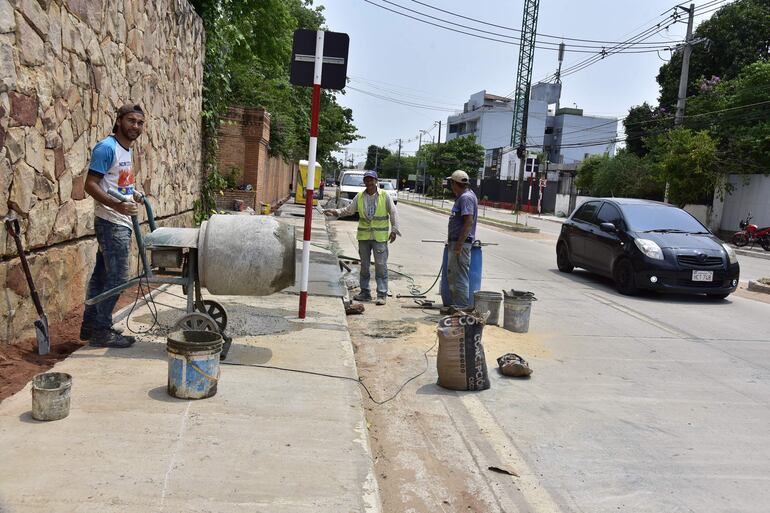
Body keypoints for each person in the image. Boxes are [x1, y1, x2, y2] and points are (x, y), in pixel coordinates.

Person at [79, 104, 146, 348]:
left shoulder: (125, 149)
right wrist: (116, 205)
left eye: (139, 123)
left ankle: (91, 325)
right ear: (118, 121)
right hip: (111, 221)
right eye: (131, 121)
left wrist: (133, 193)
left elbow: (117, 182)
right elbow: (90, 184)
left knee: (102, 276)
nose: (135, 126)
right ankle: (101, 330)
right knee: (118, 278)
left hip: (120, 220)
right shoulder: (107, 148)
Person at [325, 170, 400, 305]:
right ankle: (365, 293)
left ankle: (382, 294)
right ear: (364, 181)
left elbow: (393, 213)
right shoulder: (359, 196)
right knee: (364, 266)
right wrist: (335, 211)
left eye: (371, 179)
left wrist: (394, 230)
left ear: (376, 181)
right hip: (364, 237)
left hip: (380, 238)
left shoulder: (385, 196)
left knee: (381, 266)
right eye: (367, 180)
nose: (369, 182)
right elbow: (349, 210)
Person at [446, 169, 478, 309]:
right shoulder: (464, 196)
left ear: (455, 183)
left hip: (461, 244)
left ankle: (461, 308)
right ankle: (458, 307)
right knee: (454, 275)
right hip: (458, 242)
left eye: (451, 183)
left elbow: (468, 221)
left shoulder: (466, 198)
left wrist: (459, 245)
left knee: (459, 277)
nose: (451, 186)